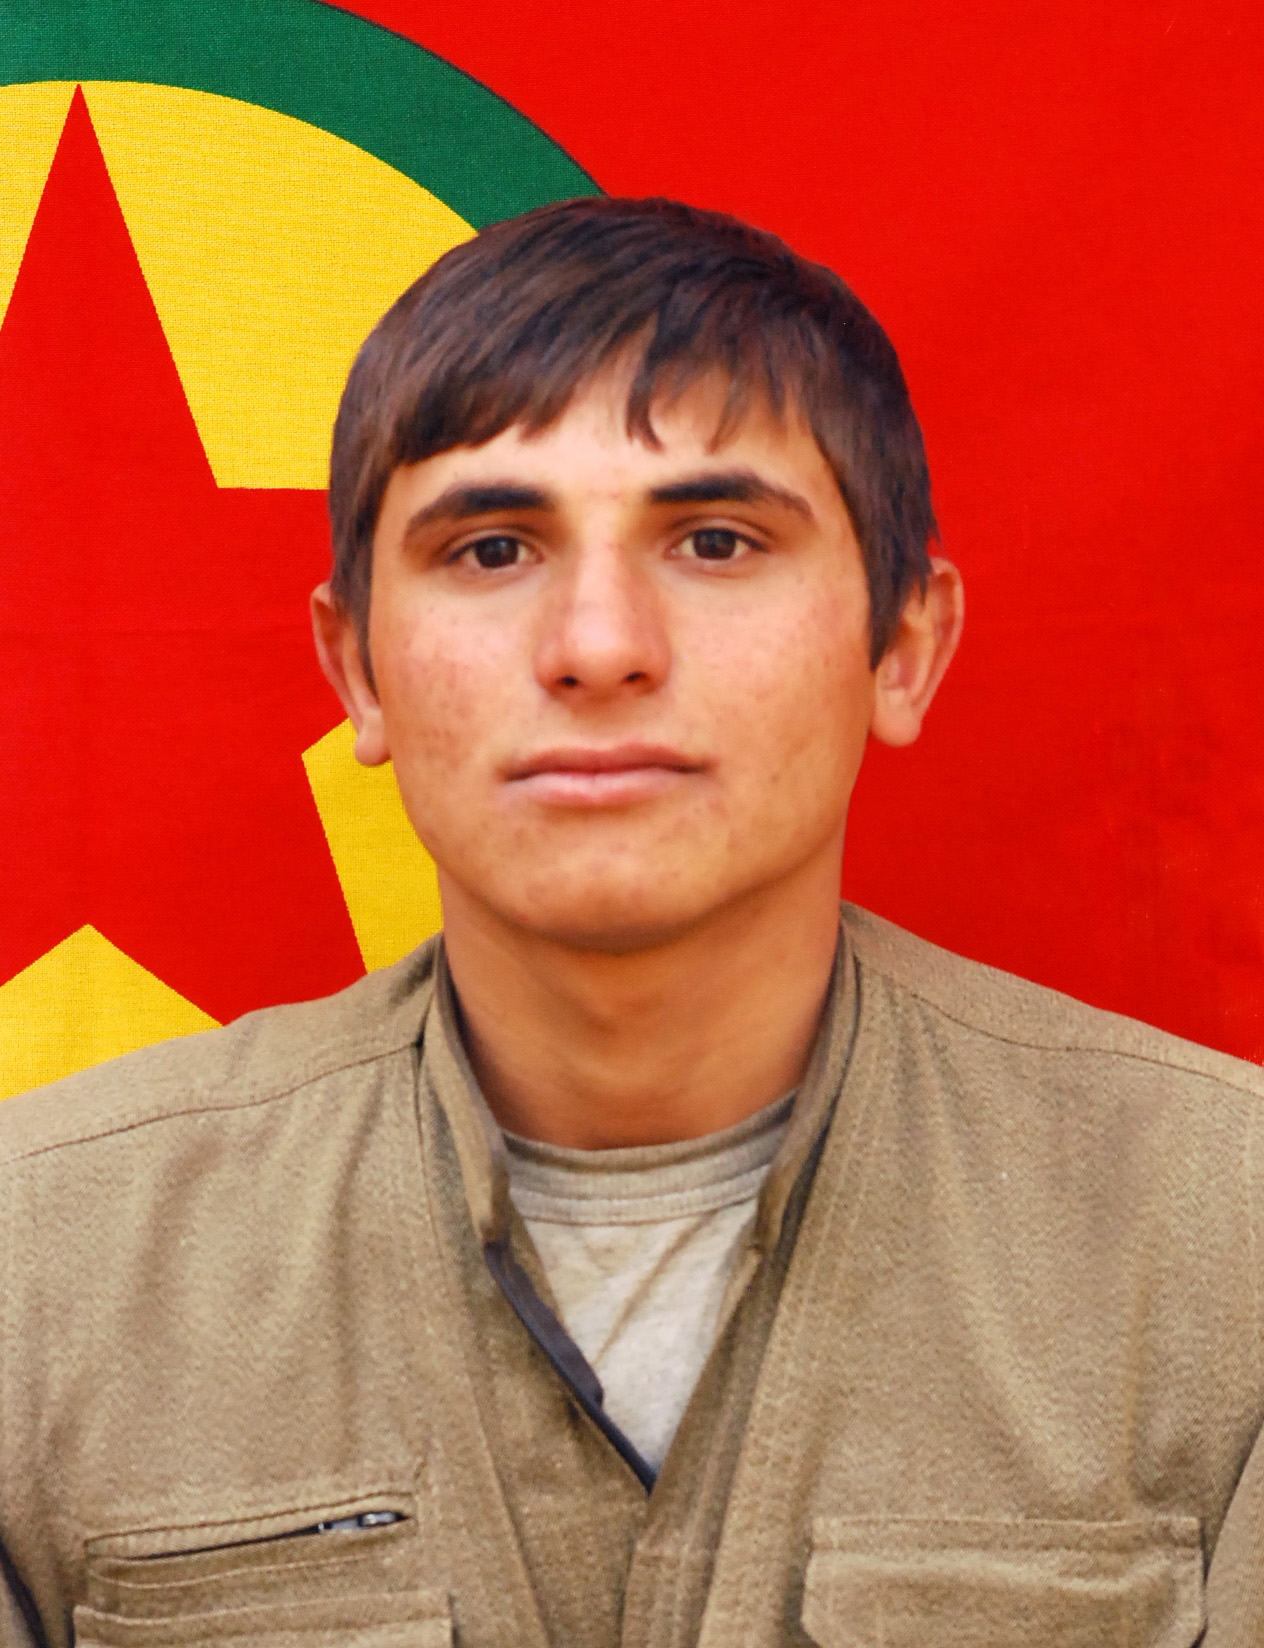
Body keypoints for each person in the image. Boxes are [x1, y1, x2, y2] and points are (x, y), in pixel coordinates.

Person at [1, 196, 1261, 1648]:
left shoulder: (1226, 1247)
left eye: (715, 540)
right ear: (357, 670)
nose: (598, 647)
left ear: (904, 648)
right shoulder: (37, 1274)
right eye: (492, 550)